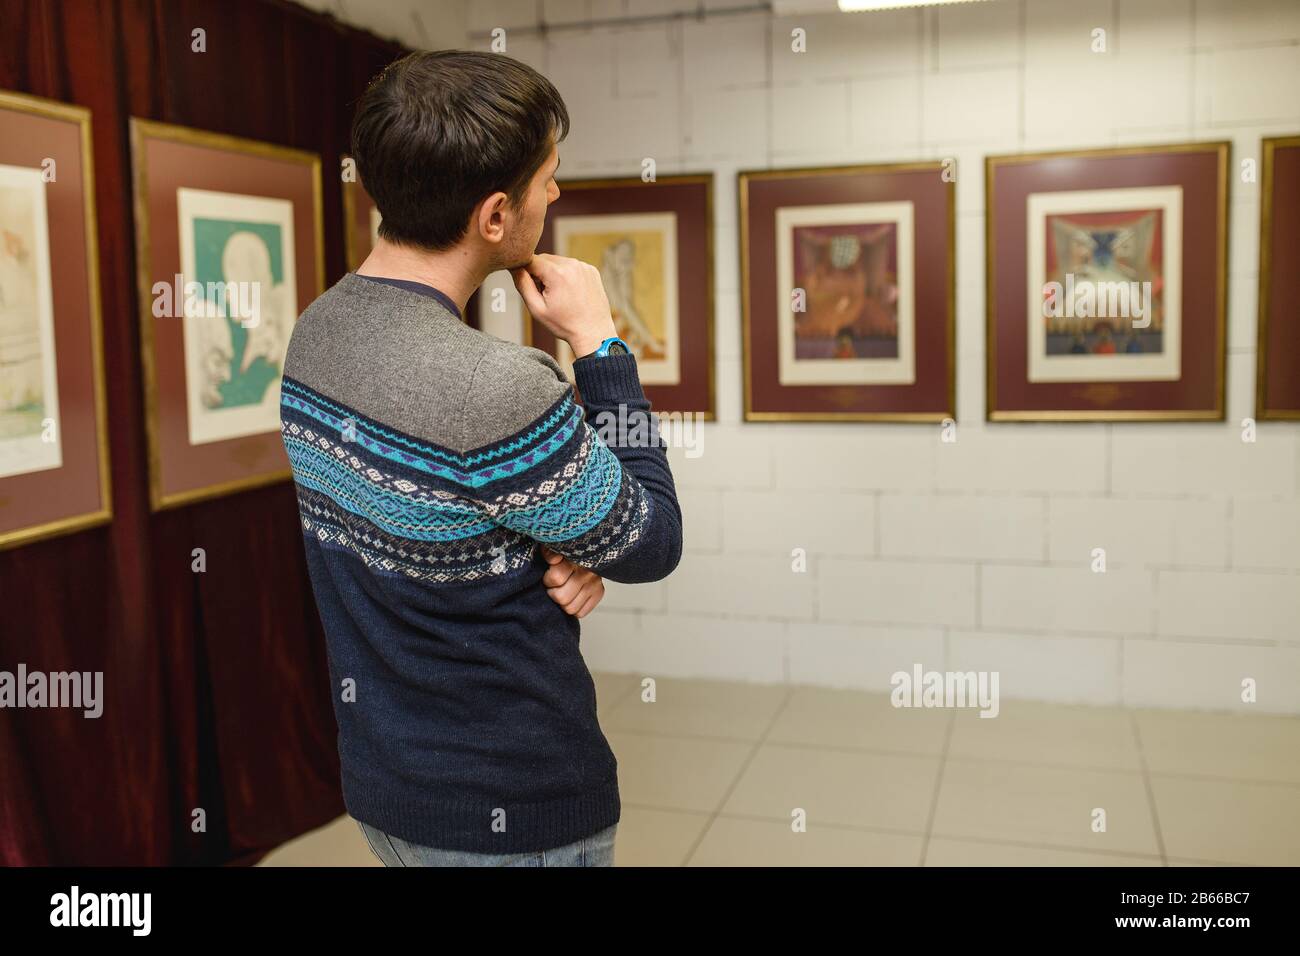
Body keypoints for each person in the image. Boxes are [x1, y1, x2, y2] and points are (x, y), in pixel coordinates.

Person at [279, 50, 683, 867]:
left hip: (389, 791)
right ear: (496, 216)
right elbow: (651, 541)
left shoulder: (316, 329)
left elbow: (438, 519)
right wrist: (601, 345)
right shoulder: (499, 386)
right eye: (549, 178)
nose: (557, 194)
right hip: (509, 805)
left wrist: (550, 540)